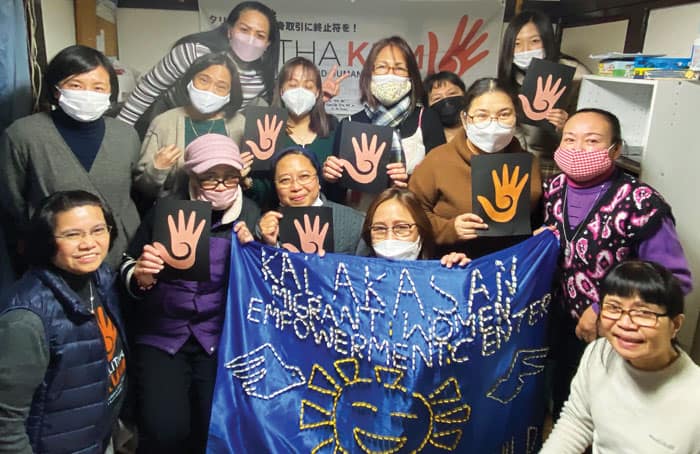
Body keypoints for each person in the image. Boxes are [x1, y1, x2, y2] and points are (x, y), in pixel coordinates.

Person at [542, 108, 692, 419]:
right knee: (569, 408)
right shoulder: (554, 189)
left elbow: (674, 278)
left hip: (622, 332)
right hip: (566, 327)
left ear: (616, 149)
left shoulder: (641, 203)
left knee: (615, 416)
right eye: (569, 140)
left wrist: (601, 309)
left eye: (592, 140)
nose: (577, 149)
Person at [121, 134, 258, 453]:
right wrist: (142, 275)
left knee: (213, 426)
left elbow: (263, 286)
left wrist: (255, 251)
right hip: (163, 335)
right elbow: (127, 264)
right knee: (165, 429)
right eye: (210, 177)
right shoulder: (165, 210)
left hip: (219, 340)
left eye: (230, 177)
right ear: (193, 175)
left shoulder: (250, 214)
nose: (221, 185)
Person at [0, 190, 128, 454]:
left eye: (98, 230)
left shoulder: (100, 277)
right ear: (46, 241)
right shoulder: (25, 320)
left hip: (99, 436)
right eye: (72, 235)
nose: (89, 243)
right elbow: (6, 423)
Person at [0, 45, 140, 272]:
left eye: (98, 87)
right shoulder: (23, 135)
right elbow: (12, 204)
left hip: (120, 256)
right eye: (76, 85)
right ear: (56, 89)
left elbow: (134, 193)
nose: (88, 94)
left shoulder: (126, 135)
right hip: (55, 258)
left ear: (110, 92)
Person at [541, 260, 700, 453]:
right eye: (614, 308)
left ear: (675, 324)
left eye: (643, 313)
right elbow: (576, 422)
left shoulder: (693, 399)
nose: (625, 323)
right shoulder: (598, 353)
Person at [409, 77, 542, 259]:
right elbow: (411, 213)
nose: (493, 123)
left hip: (512, 266)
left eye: (504, 114)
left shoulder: (529, 163)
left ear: (515, 116)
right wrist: (449, 229)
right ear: (465, 118)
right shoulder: (437, 161)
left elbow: (535, 220)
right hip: (453, 265)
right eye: (482, 115)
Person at [116, 1, 280, 136]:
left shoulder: (262, 78)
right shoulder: (192, 52)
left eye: (260, 35)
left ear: (267, 44)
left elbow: (276, 108)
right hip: (171, 118)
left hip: (216, 129)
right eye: (244, 30)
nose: (250, 40)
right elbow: (147, 90)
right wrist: (118, 133)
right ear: (230, 31)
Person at [322, 36, 445, 209]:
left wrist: (410, 180)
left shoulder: (426, 119)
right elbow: (336, 198)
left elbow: (441, 184)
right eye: (382, 67)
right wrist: (331, 178)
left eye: (399, 68)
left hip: (410, 224)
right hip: (360, 224)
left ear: (411, 76)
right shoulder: (350, 124)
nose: (390, 74)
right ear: (369, 74)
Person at [134, 52, 245, 202]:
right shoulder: (164, 122)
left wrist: (245, 177)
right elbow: (141, 190)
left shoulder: (240, 124)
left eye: (221, 86)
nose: (210, 90)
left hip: (227, 214)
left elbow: (249, 184)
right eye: (204, 80)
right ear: (190, 80)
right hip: (176, 214)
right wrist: (156, 169)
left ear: (230, 93)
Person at [498, 10, 590, 179]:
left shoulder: (575, 76)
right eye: (517, 44)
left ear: (547, 41)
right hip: (520, 162)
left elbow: (593, 130)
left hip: (560, 165)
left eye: (534, 41)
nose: (525, 50)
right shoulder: (509, 76)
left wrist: (566, 127)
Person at [243, 57, 342, 209]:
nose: (300, 91)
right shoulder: (264, 130)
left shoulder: (333, 128)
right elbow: (262, 190)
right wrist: (244, 180)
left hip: (325, 221)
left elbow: (342, 193)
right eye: (293, 85)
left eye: (308, 87)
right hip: (278, 220)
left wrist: (335, 179)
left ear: (317, 93)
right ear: (281, 90)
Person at [258, 147, 366, 255]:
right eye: (285, 180)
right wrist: (271, 245)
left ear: (318, 180)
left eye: (304, 176)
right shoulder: (264, 228)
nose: (296, 187)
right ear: (275, 187)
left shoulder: (355, 223)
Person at [362, 187, 470, 267]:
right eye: (379, 228)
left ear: (421, 232)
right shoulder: (355, 279)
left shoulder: (439, 274)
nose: (390, 238)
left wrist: (458, 272)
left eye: (402, 227)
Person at [423, 71, 467, 143]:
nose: (446, 101)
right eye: (437, 98)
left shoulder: (480, 130)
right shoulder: (426, 141)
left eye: (452, 93)